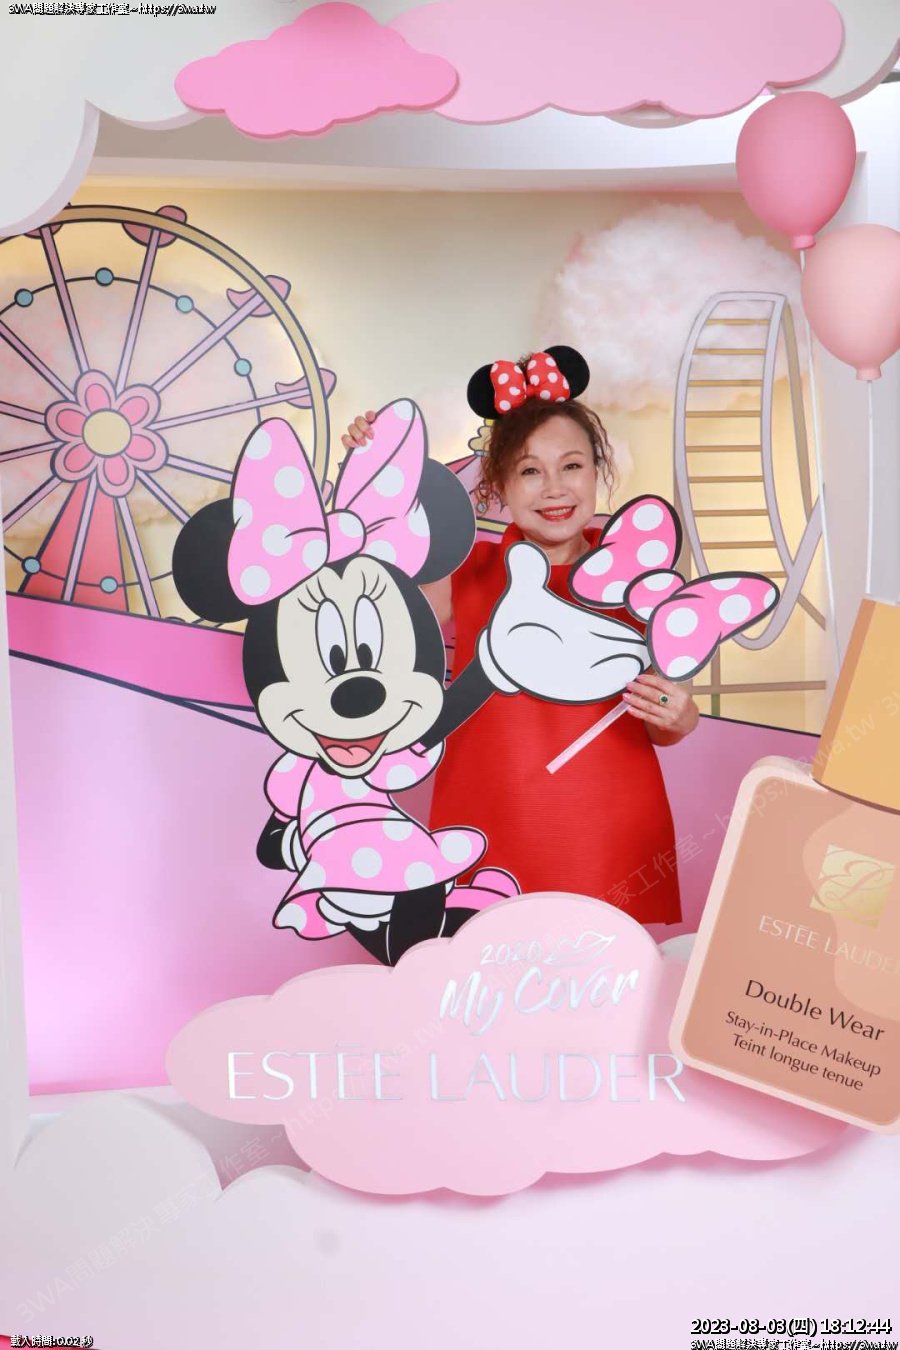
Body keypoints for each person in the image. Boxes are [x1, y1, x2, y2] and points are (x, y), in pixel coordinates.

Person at [342, 346, 699, 925]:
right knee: (477, 971)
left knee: (607, 976)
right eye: (530, 471)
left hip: (606, 832)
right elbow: (382, 620)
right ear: (499, 485)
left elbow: (662, 721)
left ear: (598, 472)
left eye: (572, 466)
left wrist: (681, 716)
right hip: (486, 828)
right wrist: (374, 474)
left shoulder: (638, 574)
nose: (554, 488)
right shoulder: (465, 569)